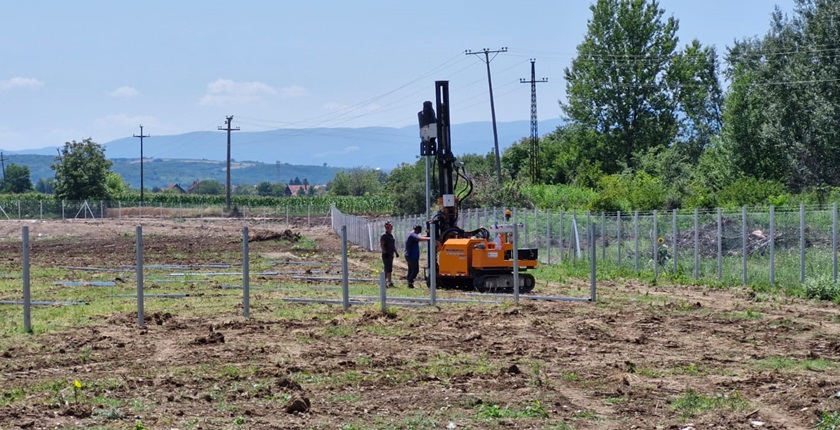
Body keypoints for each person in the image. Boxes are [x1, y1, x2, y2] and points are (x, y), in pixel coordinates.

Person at [379, 221, 398, 287]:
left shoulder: (391, 235)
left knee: (389, 268)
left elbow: (393, 245)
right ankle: (386, 282)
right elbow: (382, 244)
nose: (391, 227)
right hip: (386, 254)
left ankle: (387, 281)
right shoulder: (384, 235)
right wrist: (384, 252)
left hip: (391, 254)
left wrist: (396, 252)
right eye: (390, 226)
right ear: (386, 227)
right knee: (387, 268)